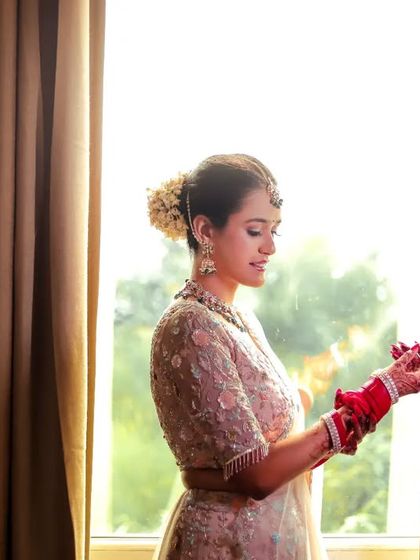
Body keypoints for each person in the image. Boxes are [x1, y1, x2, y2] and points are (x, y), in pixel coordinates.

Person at [147, 153, 420, 560]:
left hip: (270, 536)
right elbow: (256, 474)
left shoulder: (240, 319)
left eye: (274, 231)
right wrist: (377, 395)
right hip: (226, 543)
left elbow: (279, 448)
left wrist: (382, 389)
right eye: (256, 230)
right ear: (205, 229)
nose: (271, 247)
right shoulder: (190, 326)